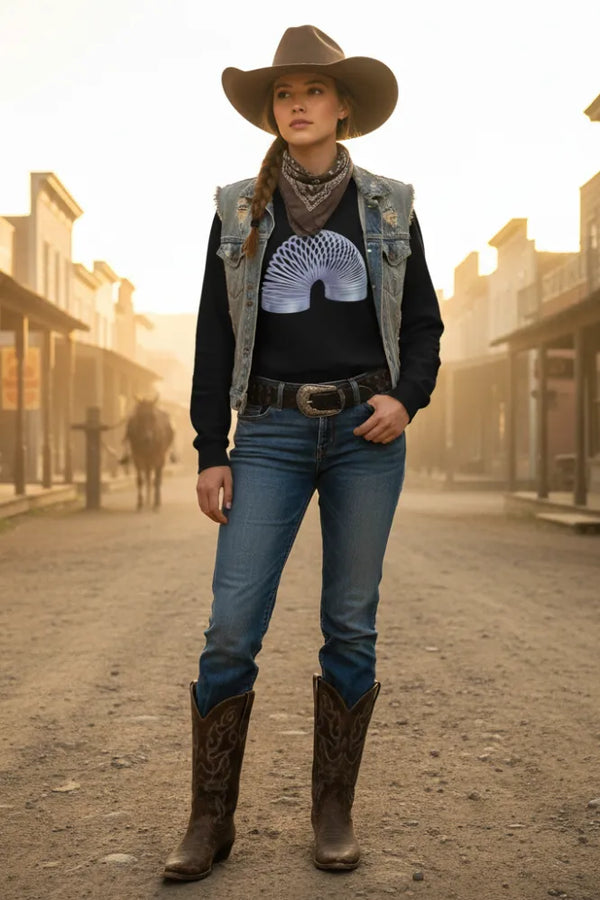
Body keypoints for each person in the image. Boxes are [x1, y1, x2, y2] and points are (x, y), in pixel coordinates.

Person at [164, 24, 444, 882]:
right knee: (230, 627)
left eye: (312, 92)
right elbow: (216, 337)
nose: (296, 104)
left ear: (343, 109)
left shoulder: (391, 205)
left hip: (365, 434)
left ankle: (332, 812)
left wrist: (408, 397)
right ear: (272, 112)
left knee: (350, 625)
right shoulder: (237, 210)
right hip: (272, 435)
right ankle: (210, 821)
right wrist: (214, 448)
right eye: (284, 94)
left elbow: (422, 324)